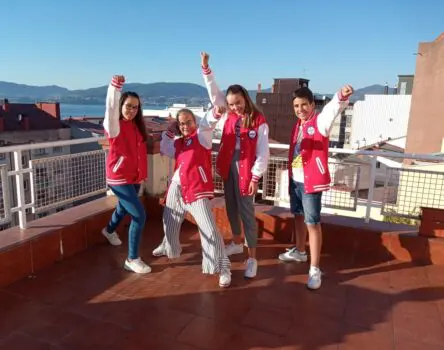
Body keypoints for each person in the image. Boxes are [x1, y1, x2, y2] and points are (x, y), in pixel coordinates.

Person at [200, 52, 270, 279]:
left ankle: (252, 258)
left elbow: (263, 151)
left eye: (238, 102)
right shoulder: (228, 114)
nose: (235, 107)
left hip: (247, 169)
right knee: (231, 206)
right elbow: (214, 93)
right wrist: (207, 70)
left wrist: (255, 177)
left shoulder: (258, 120)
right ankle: (237, 243)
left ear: (245, 99)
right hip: (228, 165)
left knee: (247, 212)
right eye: (231, 104)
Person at [278, 84, 354, 289]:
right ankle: (301, 252)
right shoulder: (298, 125)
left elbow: (331, 111)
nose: (300, 109)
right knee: (299, 216)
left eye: (304, 105)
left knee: (312, 222)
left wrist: (340, 96)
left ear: (312, 105)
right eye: (296, 106)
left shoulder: (319, 122)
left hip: (312, 182)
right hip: (297, 180)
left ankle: (314, 268)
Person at [153, 108, 231, 288]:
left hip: (196, 189)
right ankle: (168, 245)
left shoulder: (202, 138)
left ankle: (223, 267)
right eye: (182, 123)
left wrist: (216, 113)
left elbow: (208, 123)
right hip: (176, 186)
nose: (185, 126)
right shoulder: (179, 143)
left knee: (209, 229)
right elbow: (165, 147)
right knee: (169, 221)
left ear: (195, 122)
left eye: (188, 122)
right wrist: (169, 131)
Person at [101, 75, 151, 274]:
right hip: (118, 177)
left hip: (134, 177)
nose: (131, 110)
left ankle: (109, 230)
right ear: (121, 105)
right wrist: (115, 88)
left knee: (123, 208)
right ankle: (132, 258)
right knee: (139, 216)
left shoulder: (137, 127)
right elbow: (110, 110)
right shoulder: (115, 126)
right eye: (128, 105)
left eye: (135, 107)